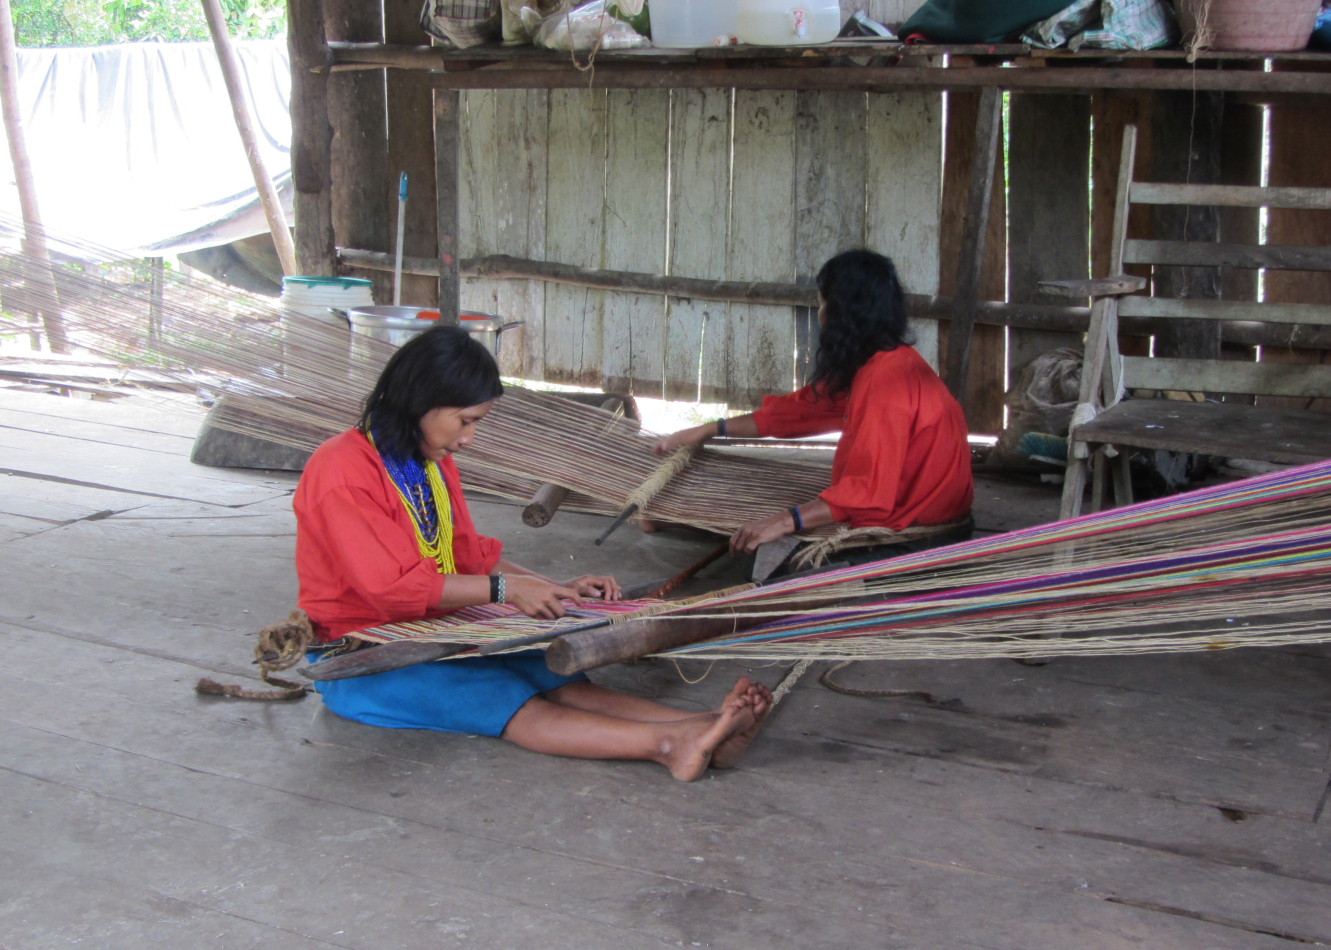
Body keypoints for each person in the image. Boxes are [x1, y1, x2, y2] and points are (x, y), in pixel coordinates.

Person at [293, 325, 770, 781]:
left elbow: (469, 556)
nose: (468, 438)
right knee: (508, 699)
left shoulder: (428, 462)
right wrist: (507, 590)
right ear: (422, 402)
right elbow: (392, 591)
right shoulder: (342, 471)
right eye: (465, 421)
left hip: (436, 632)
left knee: (550, 674)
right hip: (364, 658)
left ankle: (706, 727)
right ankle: (669, 747)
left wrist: (551, 588)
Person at [655, 249, 973, 564]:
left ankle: (670, 519)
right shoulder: (884, 363)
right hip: (926, 516)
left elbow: (868, 493)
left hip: (919, 538)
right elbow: (799, 412)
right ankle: (669, 518)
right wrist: (709, 429)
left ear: (842, 314)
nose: (819, 316)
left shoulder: (885, 385)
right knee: (766, 535)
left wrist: (785, 520)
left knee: (773, 566)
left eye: (822, 305)